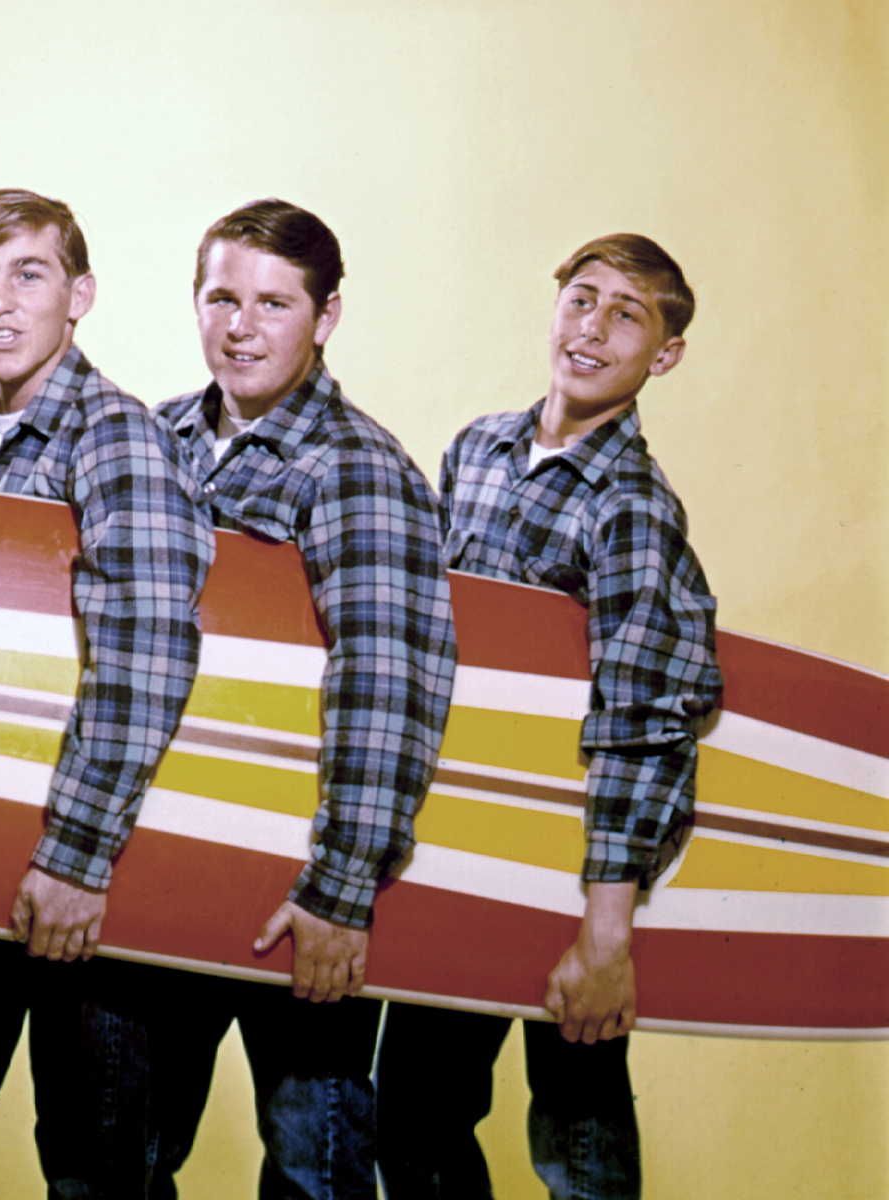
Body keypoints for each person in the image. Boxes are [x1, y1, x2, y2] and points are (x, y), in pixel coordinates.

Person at [375, 234, 723, 1200]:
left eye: (627, 315)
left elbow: (641, 716)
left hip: (577, 864)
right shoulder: (478, 449)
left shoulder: (633, 508)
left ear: (664, 355)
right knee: (414, 1117)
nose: (594, 328)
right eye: (582, 299)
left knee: (578, 1131)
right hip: (467, 849)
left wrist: (606, 936)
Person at [0, 188, 213, 1197]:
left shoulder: (116, 438)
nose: (0, 301)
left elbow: (146, 654)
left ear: (80, 295)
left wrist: (75, 858)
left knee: (94, 1169)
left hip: (88, 871)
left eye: (29, 274)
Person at [149, 199, 457, 1199]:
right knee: (127, 1155)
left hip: (297, 885)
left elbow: (388, 682)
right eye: (222, 299)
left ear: (325, 317)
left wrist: (341, 889)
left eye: (273, 304)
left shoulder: (359, 470)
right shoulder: (151, 438)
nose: (241, 328)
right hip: (163, 865)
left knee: (313, 1167)